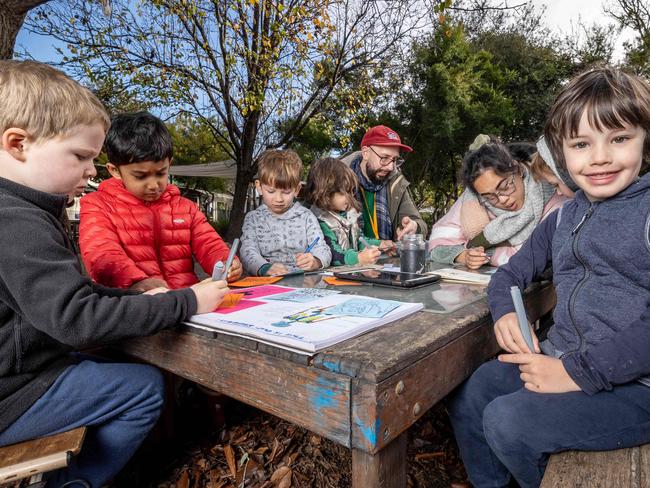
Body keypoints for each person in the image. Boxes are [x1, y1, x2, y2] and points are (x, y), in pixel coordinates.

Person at [0, 60, 229, 487]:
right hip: (13, 392)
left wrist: (156, 298)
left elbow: (73, 295)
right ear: (18, 143)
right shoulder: (17, 221)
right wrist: (184, 300)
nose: (89, 168)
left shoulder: (27, 210)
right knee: (142, 387)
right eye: (81, 156)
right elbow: (80, 314)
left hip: (26, 369)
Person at [447, 66, 650, 488]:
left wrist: (577, 373)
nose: (600, 157)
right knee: (472, 394)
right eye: (581, 143)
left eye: (619, 138)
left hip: (634, 384)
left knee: (508, 421)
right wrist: (503, 312)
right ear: (560, 154)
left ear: (644, 138)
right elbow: (507, 276)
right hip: (563, 358)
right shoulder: (562, 219)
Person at [79, 111, 242, 291]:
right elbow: (102, 254)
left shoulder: (184, 208)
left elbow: (209, 243)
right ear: (114, 170)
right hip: (133, 305)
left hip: (188, 301)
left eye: (161, 173)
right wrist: (136, 282)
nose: (153, 185)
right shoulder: (98, 205)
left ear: (169, 164)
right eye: (140, 176)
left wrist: (226, 262)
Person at [428, 136, 566, 269]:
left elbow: (534, 259)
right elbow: (437, 245)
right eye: (490, 197)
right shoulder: (474, 201)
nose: (502, 200)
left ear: (518, 170)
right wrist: (463, 256)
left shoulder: (553, 191)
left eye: (505, 186)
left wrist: (487, 255)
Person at [240, 149, 331, 276]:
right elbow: (247, 251)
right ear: (259, 187)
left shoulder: (306, 217)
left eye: (286, 192)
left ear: (297, 189)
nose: (279, 199)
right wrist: (264, 267)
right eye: (271, 191)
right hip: (265, 283)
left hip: (302, 283)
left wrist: (315, 261)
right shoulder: (253, 219)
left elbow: (322, 248)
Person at [345, 125, 426, 246]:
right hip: (348, 261)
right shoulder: (336, 180)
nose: (390, 167)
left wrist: (414, 226)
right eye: (384, 158)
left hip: (387, 261)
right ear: (366, 153)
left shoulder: (396, 182)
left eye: (394, 160)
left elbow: (420, 224)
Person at [305, 157, 392, 266]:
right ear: (324, 192)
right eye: (343, 193)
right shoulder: (320, 221)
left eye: (351, 191)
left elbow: (359, 240)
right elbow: (333, 254)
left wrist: (380, 244)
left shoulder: (348, 215)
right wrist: (358, 258)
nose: (350, 197)